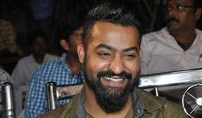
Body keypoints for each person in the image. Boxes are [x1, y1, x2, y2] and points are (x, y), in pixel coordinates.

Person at [39, 0, 187, 117]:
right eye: (104, 54)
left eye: (129, 55)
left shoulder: (169, 115)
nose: (117, 68)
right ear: (82, 54)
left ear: (139, 57)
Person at [140, 0, 202, 101]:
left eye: (179, 7)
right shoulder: (148, 43)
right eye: (169, 8)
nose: (171, 13)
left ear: (197, 13)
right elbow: (138, 90)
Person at [24, 5, 88, 118]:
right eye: (81, 36)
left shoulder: (99, 69)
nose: (88, 40)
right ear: (65, 44)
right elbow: (33, 115)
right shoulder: (44, 73)